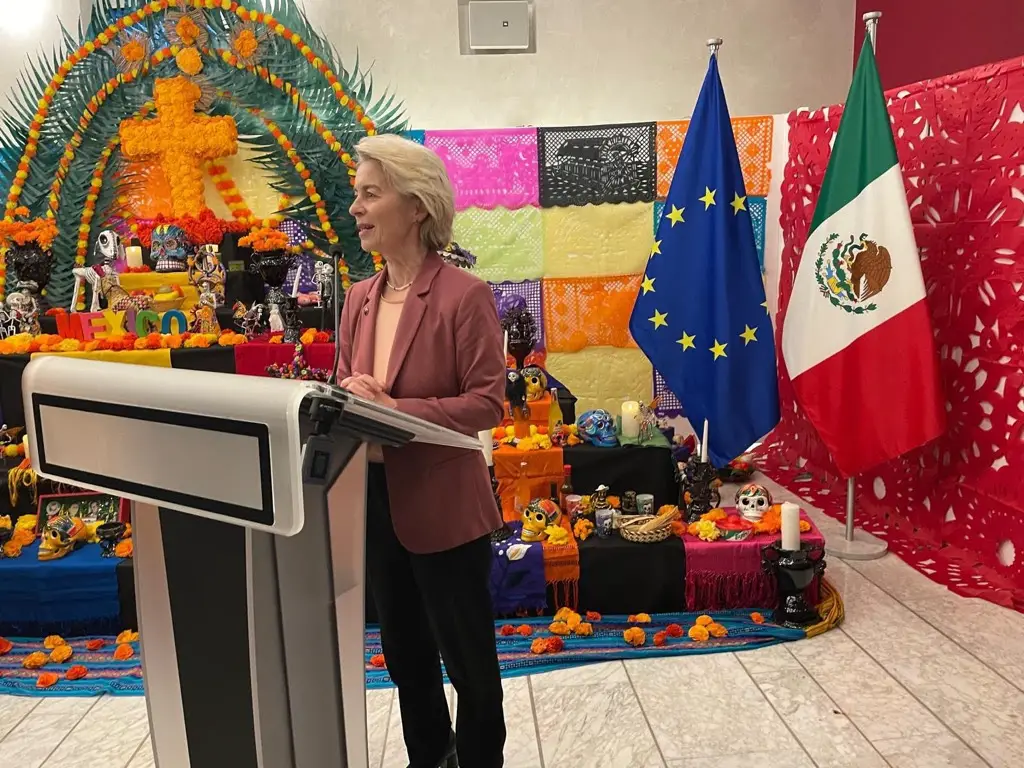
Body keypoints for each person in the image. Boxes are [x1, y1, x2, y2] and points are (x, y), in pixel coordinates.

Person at [336, 133, 507, 768]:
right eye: (357, 194)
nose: (355, 207)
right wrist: (346, 392)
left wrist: (394, 411)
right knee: (407, 661)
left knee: (469, 668)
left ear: (415, 207)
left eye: (369, 194)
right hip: (376, 505)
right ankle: (428, 759)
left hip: (444, 508)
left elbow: (488, 404)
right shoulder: (357, 300)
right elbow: (351, 388)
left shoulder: (465, 296)